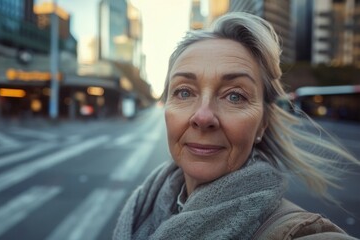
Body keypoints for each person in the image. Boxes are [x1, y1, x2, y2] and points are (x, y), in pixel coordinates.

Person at [113, 12, 360, 240]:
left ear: (263, 123)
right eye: (185, 92)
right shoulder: (144, 208)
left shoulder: (300, 233)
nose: (203, 116)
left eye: (235, 96)